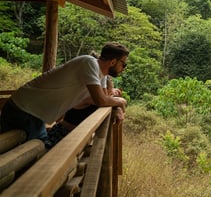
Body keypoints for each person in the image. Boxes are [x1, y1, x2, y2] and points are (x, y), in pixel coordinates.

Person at [0, 42, 129, 148]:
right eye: (123, 64)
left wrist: (116, 106)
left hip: (33, 113)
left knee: (29, 153)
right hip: (24, 109)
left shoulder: (100, 74)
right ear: (113, 62)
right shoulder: (89, 63)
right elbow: (101, 100)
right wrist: (120, 102)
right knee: (36, 156)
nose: (123, 68)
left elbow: (104, 99)